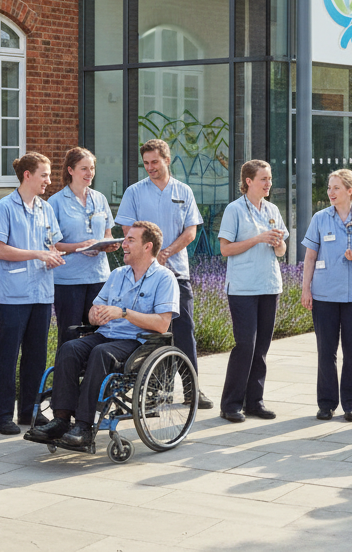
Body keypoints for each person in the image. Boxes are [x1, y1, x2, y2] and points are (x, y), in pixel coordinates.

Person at [24, 221, 178, 450]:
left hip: (138, 341)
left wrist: (124, 313)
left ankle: (84, 426)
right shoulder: (117, 275)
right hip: (106, 334)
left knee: (100, 353)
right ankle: (61, 420)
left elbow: (162, 323)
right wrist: (95, 315)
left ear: (147, 247)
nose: (123, 244)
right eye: (125, 239)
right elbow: (94, 312)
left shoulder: (164, 278)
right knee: (69, 348)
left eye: (130, 240)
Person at [115, 139, 213, 409]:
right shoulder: (134, 192)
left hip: (177, 274)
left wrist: (166, 252)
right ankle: (156, 391)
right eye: (146, 163)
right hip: (144, 276)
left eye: (155, 162)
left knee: (184, 332)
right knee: (152, 333)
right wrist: (148, 255)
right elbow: (127, 231)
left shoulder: (183, 191)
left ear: (167, 160)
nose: (150, 168)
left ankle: (192, 391)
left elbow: (190, 231)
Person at [0, 152, 65, 436]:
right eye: (44, 175)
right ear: (27, 175)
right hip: (14, 293)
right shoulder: (4, 207)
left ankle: (30, 411)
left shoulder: (46, 209)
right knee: (8, 357)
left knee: (36, 356)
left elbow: (53, 244)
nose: (49, 180)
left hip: (42, 292)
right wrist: (38, 254)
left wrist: (55, 255)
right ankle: (2, 415)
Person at [301, 169, 352, 422]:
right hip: (325, 294)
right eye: (329, 187)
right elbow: (310, 257)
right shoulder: (320, 218)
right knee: (326, 352)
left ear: (350, 191)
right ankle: (326, 404)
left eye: (336, 187)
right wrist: (306, 289)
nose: (330, 192)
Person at [217, 159, 288, 423]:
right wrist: (258, 238)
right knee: (245, 346)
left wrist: (278, 243)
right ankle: (231, 404)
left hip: (269, 285)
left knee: (261, 348)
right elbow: (225, 249)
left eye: (269, 179)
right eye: (264, 179)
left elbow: (281, 251)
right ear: (249, 181)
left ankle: (255, 401)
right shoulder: (234, 210)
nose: (269, 183)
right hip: (243, 288)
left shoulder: (272, 209)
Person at [49, 147, 117, 348]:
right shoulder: (56, 203)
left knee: (101, 333)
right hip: (68, 280)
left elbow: (108, 234)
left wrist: (109, 245)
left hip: (99, 277)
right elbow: (51, 245)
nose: (90, 174)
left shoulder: (100, 199)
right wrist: (79, 246)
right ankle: (66, 378)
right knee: (69, 335)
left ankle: (94, 377)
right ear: (70, 170)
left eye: (92, 168)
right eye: (84, 169)